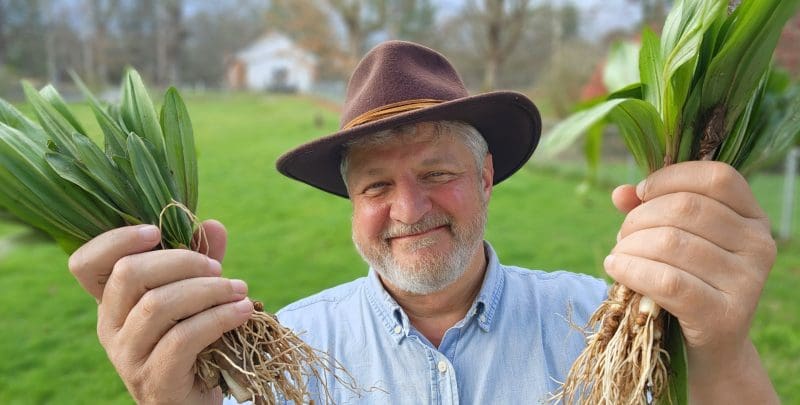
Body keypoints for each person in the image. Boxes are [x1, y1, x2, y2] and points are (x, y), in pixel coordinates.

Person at [68, 41, 779, 404]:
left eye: (437, 174)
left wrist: (723, 350)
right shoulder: (291, 359)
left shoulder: (598, 322)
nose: (408, 210)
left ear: (486, 176)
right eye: (377, 185)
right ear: (352, 203)